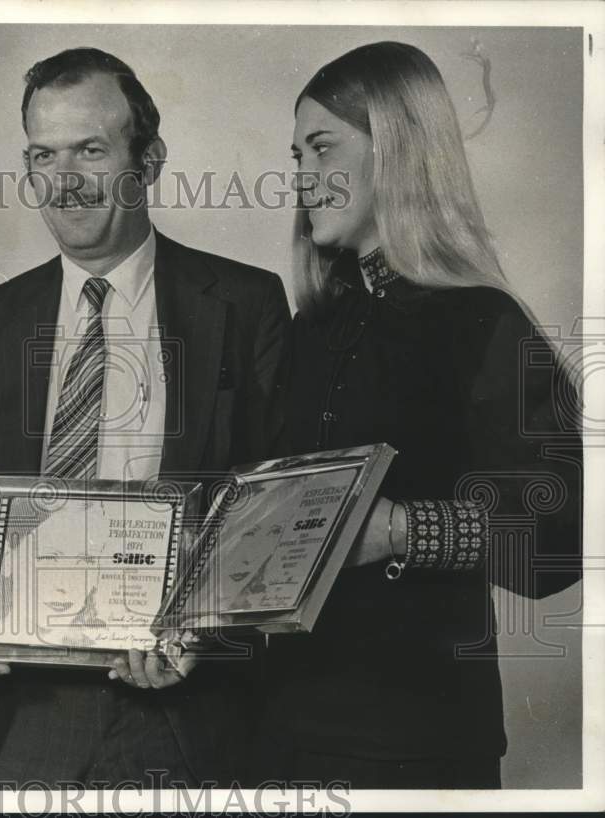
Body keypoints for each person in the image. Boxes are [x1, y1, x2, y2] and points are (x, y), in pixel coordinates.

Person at [0, 47, 291, 787]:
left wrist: (204, 632)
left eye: (90, 151)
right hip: (16, 715)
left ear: (149, 159)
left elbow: (271, 510)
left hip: (181, 713)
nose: (63, 182)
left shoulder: (245, 304)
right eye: (42, 156)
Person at [260, 41, 583, 788]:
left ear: (396, 148)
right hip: (282, 732)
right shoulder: (309, 330)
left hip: (420, 742)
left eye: (322, 148)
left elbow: (565, 529)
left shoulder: (483, 320)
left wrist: (400, 531)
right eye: (296, 155)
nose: (301, 178)